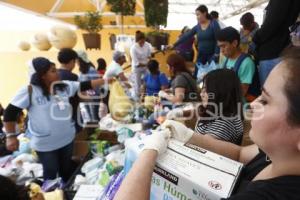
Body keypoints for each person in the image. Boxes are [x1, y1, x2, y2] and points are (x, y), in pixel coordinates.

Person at [114, 46, 300, 200]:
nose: (253, 104)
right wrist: (188, 135)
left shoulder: (267, 195)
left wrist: (148, 152)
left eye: (265, 100)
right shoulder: (272, 154)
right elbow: (240, 153)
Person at [3, 57, 111, 183]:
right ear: (42, 75)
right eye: (53, 71)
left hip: (67, 140)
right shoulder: (30, 91)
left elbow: (84, 85)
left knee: (66, 170)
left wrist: (105, 80)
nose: (58, 73)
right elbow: (9, 113)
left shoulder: (63, 86)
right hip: (46, 145)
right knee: (51, 175)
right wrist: (11, 136)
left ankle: (64, 193)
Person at [167, 68, 244, 145]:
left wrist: (182, 132)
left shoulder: (224, 123)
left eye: (206, 90)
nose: (201, 94)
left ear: (220, 92)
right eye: (202, 90)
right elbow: (200, 111)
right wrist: (180, 113)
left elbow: (203, 145)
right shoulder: (217, 110)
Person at [252, 0, 300, 85]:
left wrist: (256, 37)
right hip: (284, 51)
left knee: (270, 94)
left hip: (271, 53)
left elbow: (272, 24)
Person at [169, 5, 221, 77]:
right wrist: (174, 44)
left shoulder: (213, 24)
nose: (197, 17)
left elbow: (219, 39)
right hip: (201, 54)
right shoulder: (198, 26)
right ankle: (195, 87)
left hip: (212, 55)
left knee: (213, 75)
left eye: (198, 14)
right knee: (196, 74)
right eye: (196, 15)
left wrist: (216, 54)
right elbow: (186, 36)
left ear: (205, 13)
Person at [216, 27, 255, 99]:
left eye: (223, 46)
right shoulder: (225, 59)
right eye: (219, 47)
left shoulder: (246, 63)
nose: (221, 51)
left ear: (234, 43)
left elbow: (242, 92)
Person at [57, 48, 80, 132]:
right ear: (72, 61)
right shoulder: (72, 77)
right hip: (72, 112)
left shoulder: (53, 75)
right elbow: (80, 94)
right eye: (74, 62)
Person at [77, 50, 100, 123]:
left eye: (76, 60)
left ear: (80, 60)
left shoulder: (91, 70)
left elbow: (96, 86)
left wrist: (90, 95)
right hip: (85, 98)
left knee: (94, 118)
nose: (75, 62)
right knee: (90, 118)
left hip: (93, 98)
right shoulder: (81, 70)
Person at [130, 31, 153, 101]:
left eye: (143, 42)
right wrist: (147, 64)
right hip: (137, 68)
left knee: (148, 80)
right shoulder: (133, 48)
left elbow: (149, 56)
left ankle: (147, 95)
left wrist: (149, 62)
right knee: (137, 83)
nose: (142, 44)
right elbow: (137, 63)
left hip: (146, 66)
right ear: (137, 41)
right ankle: (137, 98)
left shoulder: (147, 45)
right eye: (140, 42)